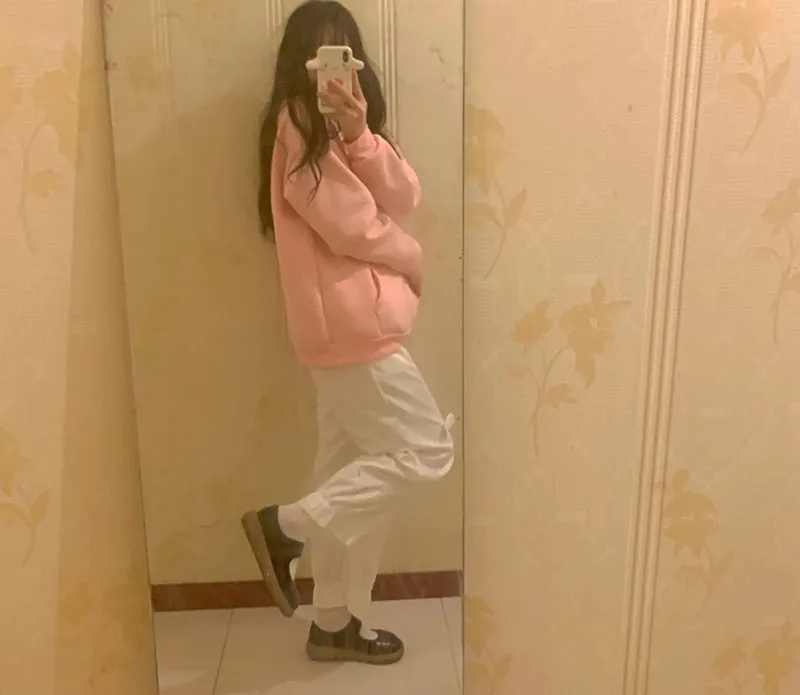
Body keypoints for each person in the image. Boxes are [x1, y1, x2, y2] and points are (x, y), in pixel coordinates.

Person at [241, 0, 454, 666]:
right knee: (427, 451)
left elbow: (405, 196)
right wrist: (409, 257)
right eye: (318, 54)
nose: (330, 70)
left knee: (342, 476)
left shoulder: (345, 131)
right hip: (352, 328)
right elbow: (352, 225)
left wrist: (362, 135)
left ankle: (332, 621)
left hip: (341, 331)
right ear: (297, 63)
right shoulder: (297, 124)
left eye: (343, 53)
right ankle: (284, 527)